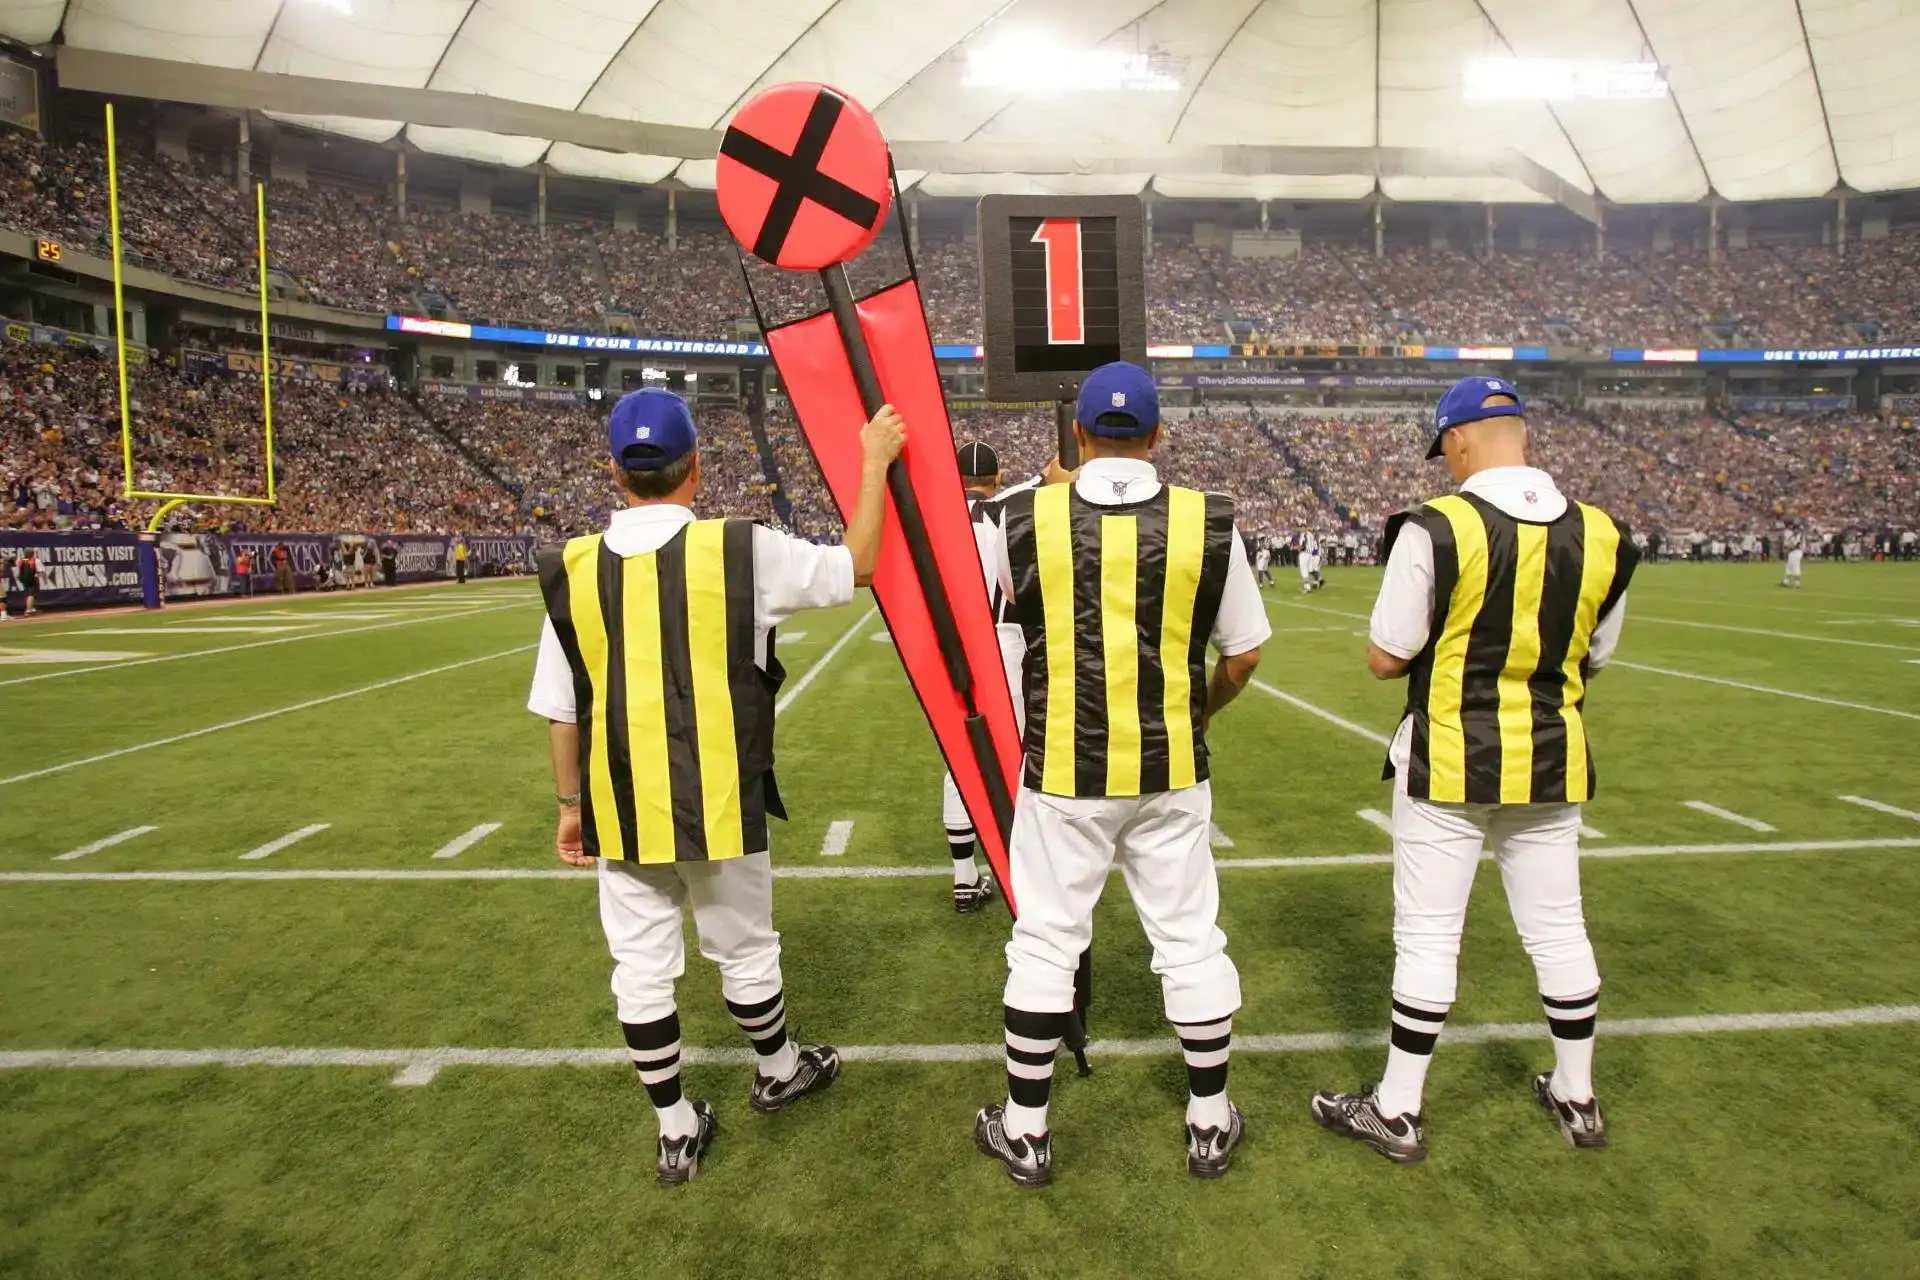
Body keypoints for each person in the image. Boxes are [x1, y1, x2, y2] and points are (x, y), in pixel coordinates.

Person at [527, 387, 906, 1187]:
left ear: (614, 472)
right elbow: (859, 564)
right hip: (722, 794)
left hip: (622, 803)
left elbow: (563, 712)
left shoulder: (573, 567)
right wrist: (873, 462)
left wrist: (569, 808)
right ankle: (778, 1069)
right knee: (744, 948)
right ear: (695, 466)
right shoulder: (741, 547)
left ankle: (674, 1128)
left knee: (640, 968)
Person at [1311, 376, 1637, 1163]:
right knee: (1559, 927)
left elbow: (1386, 657)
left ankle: (1398, 1108)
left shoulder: (1438, 526)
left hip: (1452, 758)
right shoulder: (1604, 533)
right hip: (1552, 757)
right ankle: (1578, 1093)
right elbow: (1595, 655)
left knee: (1428, 935)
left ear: (1457, 439)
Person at [973, 362, 1269, 1185]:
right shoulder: (1207, 520)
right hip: (1170, 761)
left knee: (1045, 942)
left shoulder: (1017, 516)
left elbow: (1000, 618)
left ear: (1078, 434)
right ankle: (1209, 1119)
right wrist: (1200, 710)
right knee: (1189, 939)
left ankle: (1026, 1130)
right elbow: (1244, 654)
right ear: (1158, 434)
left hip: (1063, 765)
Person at [937, 441, 1037, 914]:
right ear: (997, 477)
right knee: (1019, 757)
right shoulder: (1012, 512)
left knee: (959, 760)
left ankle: (964, 875)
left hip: (953, 649)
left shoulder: (939, 518)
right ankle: (1022, 872)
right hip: (1007, 644)